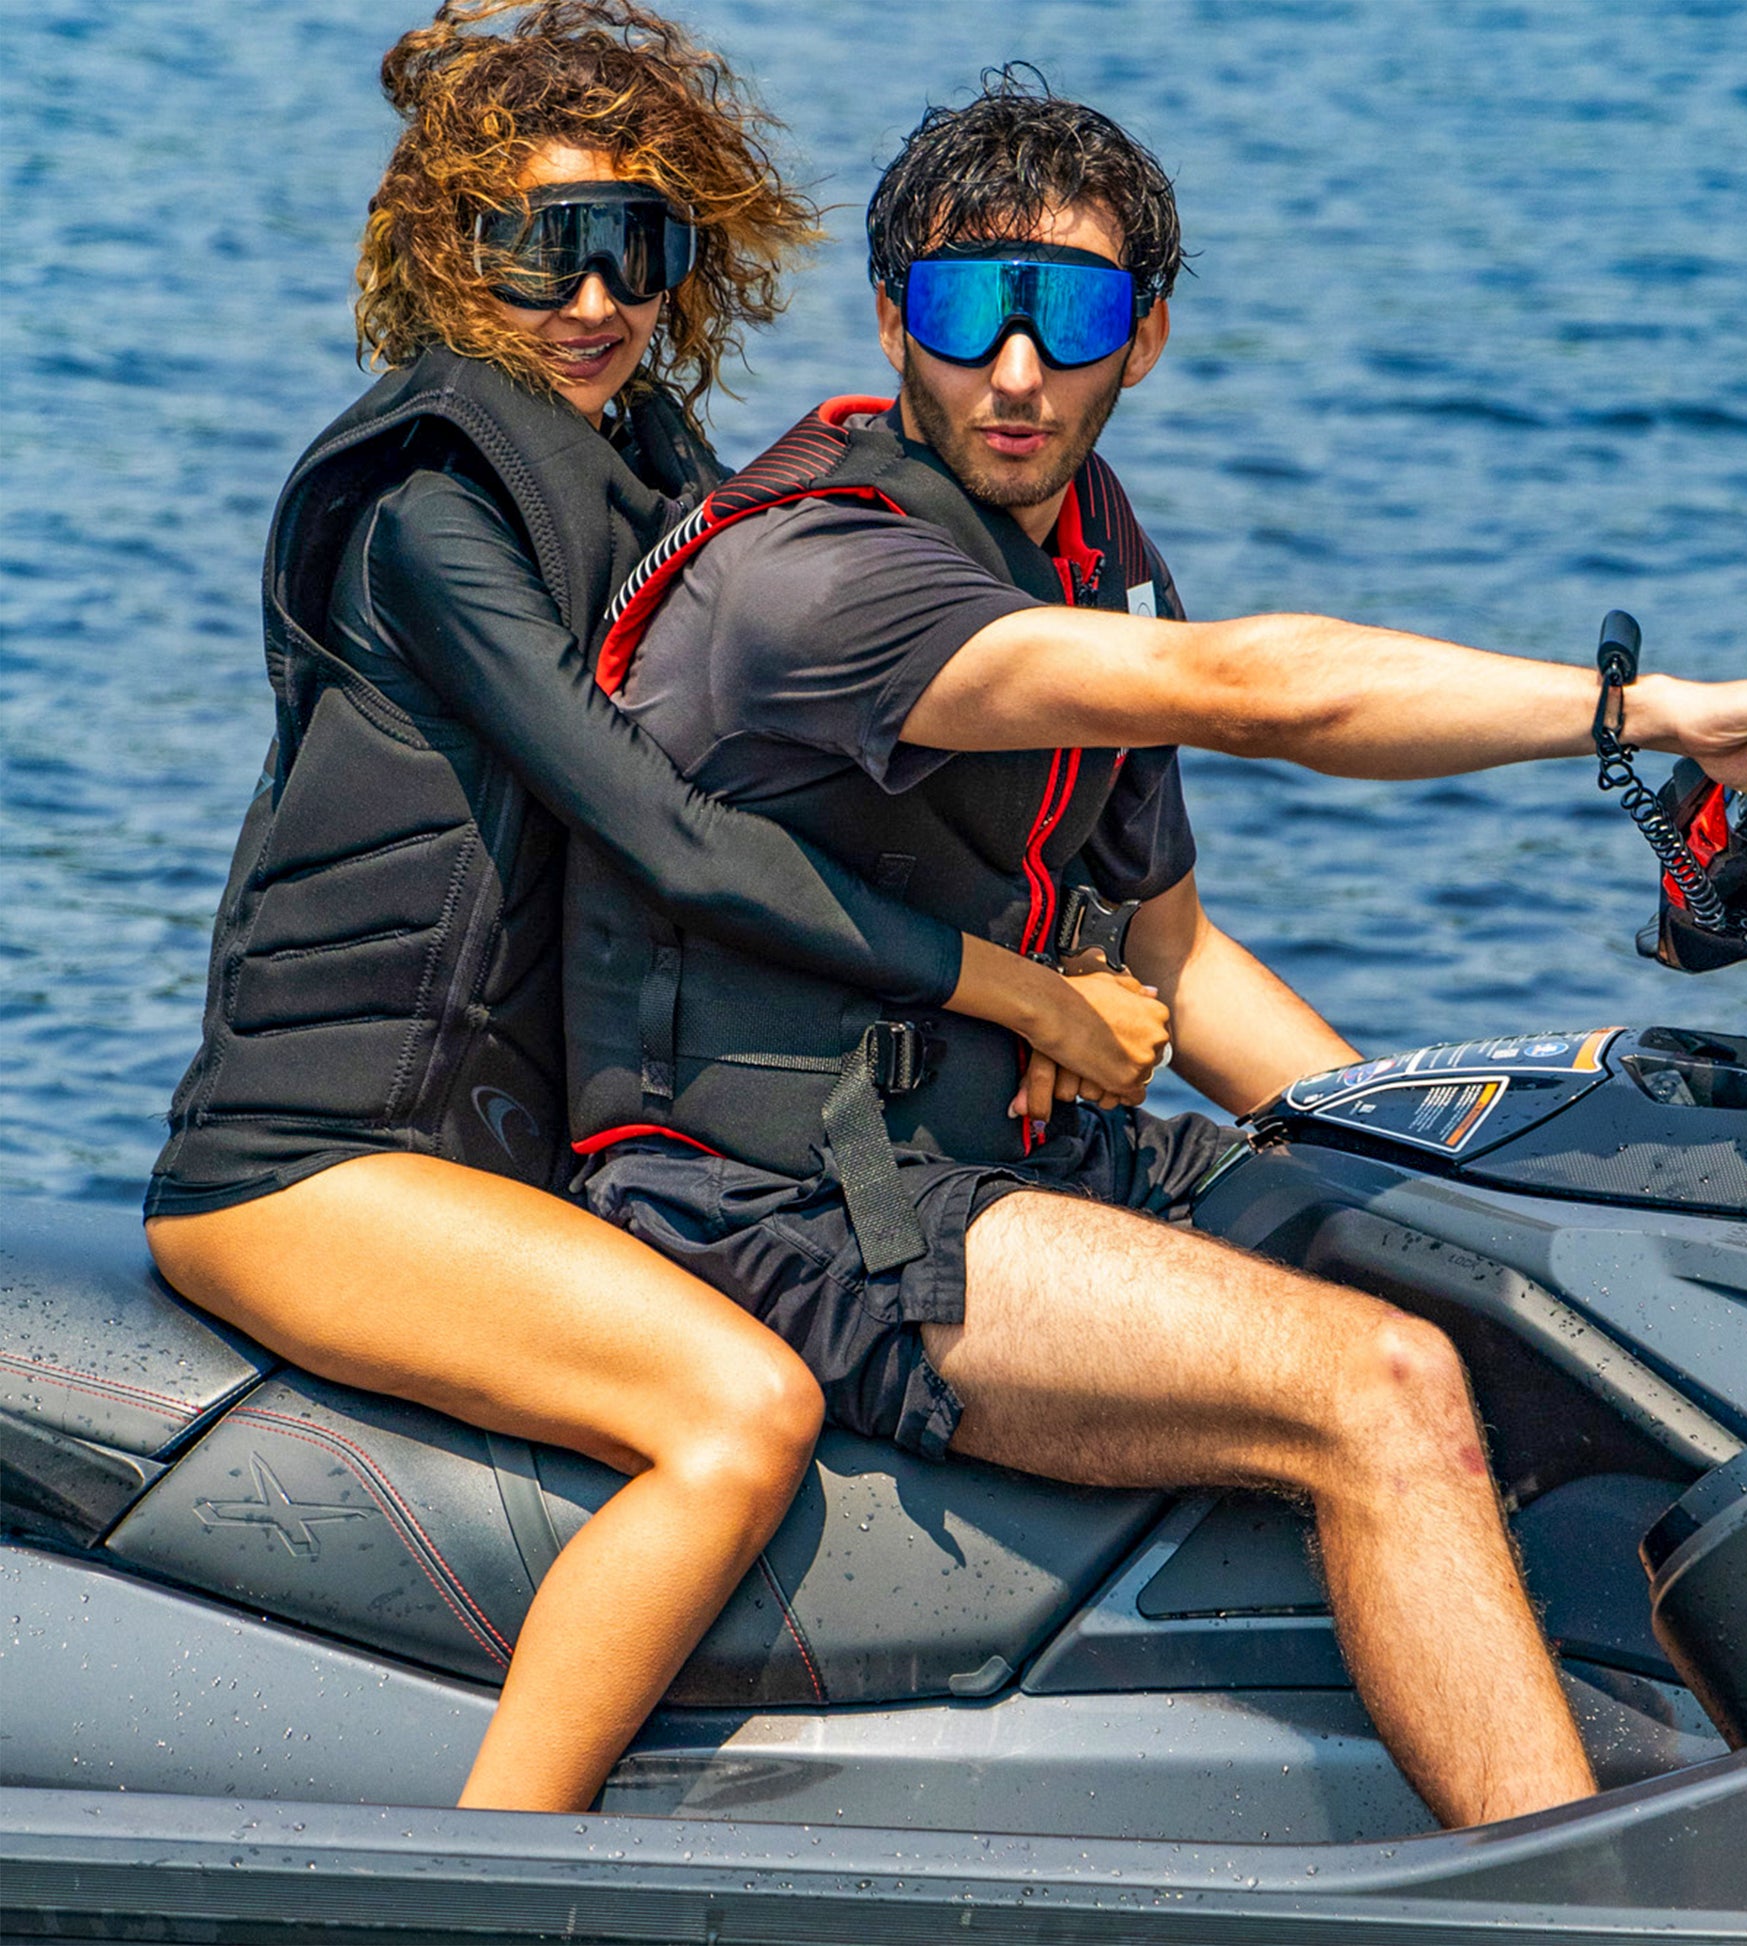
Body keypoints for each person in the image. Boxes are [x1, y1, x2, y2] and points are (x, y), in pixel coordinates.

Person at [566, 71, 1747, 1829]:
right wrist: (1650, 709)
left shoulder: (1088, 543)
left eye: (1080, 314)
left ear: (1151, 335)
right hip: (796, 1204)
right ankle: (1565, 1889)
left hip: (1010, 1158)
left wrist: (1452, 1171)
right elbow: (1255, 694)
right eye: (974, 310)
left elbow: (1174, 960)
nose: (1021, 372)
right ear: (896, 313)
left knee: (1522, 1290)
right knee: (1377, 1386)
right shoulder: (823, 579)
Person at [142, 10, 1163, 1817]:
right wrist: (1008, 987)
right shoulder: (428, 508)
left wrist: (1069, 955)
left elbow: (816, 784)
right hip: (315, 1165)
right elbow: (670, 837)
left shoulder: (662, 482)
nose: (596, 296)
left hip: (500, 1157)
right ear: (446, 253)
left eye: (642, 246)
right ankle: (490, 1873)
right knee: (738, 1408)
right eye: (545, 247)